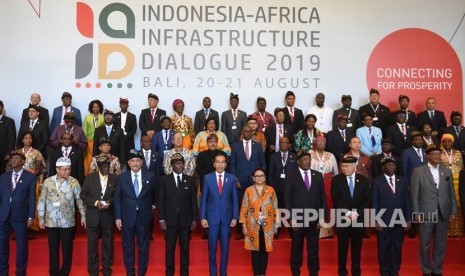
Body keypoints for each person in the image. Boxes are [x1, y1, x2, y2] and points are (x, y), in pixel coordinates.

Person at [410, 146, 457, 276]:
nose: (437, 156)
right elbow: (414, 195)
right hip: (426, 212)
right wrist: (416, 212)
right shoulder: (418, 171)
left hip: (443, 212)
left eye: (438, 154)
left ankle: (437, 270)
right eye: (434, 154)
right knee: (425, 243)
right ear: (427, 156)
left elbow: (451, 192)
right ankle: (426, 269)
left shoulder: (446, 171)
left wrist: (453, 210)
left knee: (440, 244)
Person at [37, 157, 86, 276]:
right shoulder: (48, 181)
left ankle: (65, 272)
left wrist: (84, 215)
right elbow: (42, 200)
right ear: (57, 169)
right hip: (51, 220)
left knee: (67, 248)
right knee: (53, 248)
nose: (67, 172)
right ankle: (53, 272)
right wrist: (40, 218)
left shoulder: (73, 181)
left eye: (69, 169)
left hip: (67, 221)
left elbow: (80, 200)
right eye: (64, 169)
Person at [114, 149, 157, 276]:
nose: (135, 163)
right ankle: (130, 272)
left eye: (138, 160)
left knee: (144, 248)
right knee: (128, 247)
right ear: (128, 162)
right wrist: (117, 217)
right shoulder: (122, 178)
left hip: (144, 217)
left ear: (142, 162)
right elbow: (117, 198)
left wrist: (153, 205)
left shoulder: (150, 175)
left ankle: (142, 272)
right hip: (127, 217)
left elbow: (156, 193)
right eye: (132, 161)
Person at [284, 152, 327, 276]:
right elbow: (287, 198)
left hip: (314, 219)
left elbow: (322, 198)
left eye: (309, 159)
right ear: (298, 161)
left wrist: (322, 217)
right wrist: (291, 218)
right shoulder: (291, 176)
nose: (307, 162)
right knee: (296, 248)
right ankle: (295, 272)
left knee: (313, 249)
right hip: (297, 219)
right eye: (304, 159)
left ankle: (314, 273)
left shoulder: (318, 175)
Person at [158, 153, 197, 276]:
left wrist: (194, 219)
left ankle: (184, 272)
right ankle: (169, 272)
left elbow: (193, 202)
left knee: (185, 248)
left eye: (182, 163)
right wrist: (161, 219)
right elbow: (161, 201)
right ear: (172, 165)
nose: (181, 166)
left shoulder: (190, 180)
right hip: (170, 221)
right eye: (178, 163)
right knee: (170, 248)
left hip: (185, 221)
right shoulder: (164, 180)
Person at [200, 152, 239, 276]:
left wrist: (235, 217)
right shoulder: (207, 178)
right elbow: (204, 199)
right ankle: (213, 273)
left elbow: (234, 199)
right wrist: (202, 217)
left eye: (223, 162)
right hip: (212, 219)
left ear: (226, 164)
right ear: (214, 164)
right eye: (218, 162)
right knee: (212, 249)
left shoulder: (231, 178)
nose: (220, 164)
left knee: (225, 249)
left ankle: (223, 272)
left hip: (227, 219)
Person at [371, 157, 412, 276]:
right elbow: (374, 202)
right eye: (389, 165)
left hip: (399, 220)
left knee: (397, 247)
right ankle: (384, 271)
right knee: (383, 247)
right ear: (383, 168)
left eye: (393, 165)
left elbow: (407, 201)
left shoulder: (402, 181)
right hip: (383, 220)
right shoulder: (376, 181)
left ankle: (395, 270)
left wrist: (408, 219)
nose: (392, 167)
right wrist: (376, 220)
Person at [331, 155, 370, 276]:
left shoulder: (363, 180)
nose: (344, 168)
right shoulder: (336, 179)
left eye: (347, 166)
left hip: (358, 218)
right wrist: (347, 213)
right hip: (343, 218)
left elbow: (366, 200)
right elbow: (335, 198)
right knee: (342, 247)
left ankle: (356, 271)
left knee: (356, 247)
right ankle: (342, 271)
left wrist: (357, 213)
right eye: (342, 166)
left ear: (354, 166)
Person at [80, 155, 117, 276]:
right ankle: (93, 270)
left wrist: (110, 202)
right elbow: (83, 195)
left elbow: (117, 195)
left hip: (108, 216)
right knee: (92, 244)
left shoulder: (115, 178)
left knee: (108, 244)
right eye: (103, 166)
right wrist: (96, 203)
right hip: (93, 215)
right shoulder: (90, 178)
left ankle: (107, 268)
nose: (106, 168)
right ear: (98, 167)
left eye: (107, 166)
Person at [0, 152, 35, 276]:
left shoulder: (30, 177)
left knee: (21, 246)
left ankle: (21, 272)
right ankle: (3, 271)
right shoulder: (4, 176)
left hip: (20, 216)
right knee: (2, 245)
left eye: (16, 158)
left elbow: (32, 198)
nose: (13, 160)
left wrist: (31, 216)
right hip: (4, 216)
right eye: (11, 158)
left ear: (23, 162)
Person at [240, 168, 278, 276]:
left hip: (268, 225)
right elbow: (244, 207)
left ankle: (263, 273)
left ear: (265, 177)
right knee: (255, 250)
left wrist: (276, 225)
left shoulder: (271, 190)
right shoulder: (249, 190)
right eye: (257, 176)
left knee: (265, 250)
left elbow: (276, 207)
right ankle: (256, 273)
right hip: (252, 225)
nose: (259, 178)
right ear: (253, 178)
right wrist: (243, 225)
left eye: (262, 176)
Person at [231, 125, 266, 239]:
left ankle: (254, 228)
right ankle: (241, 230)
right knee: (242, 206)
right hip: (240, 182)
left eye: (249, 131)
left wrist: (262, 180)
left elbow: (263, 163)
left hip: (255, 182)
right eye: (245, 131)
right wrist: (235, 179)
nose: (247, 133)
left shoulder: (258, 146)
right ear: (242, 132)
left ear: (252, 133)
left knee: (255, 205)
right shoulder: (235, 146)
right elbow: (232, 165)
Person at [10, 131, 46, 234]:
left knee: (31, 203)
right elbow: (9, 168)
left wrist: (41, 184)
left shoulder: (37, 153)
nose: (28, 140)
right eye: (26, 138)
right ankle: (17, 229)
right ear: (22, 140)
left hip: (32, 182)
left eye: (30, 138)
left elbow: (42, 170)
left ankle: (31, 228)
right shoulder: (16, 153)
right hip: (16, 183)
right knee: (17, 203)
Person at [310, 135, 338, 238]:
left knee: (329, 204)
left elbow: (335, 172)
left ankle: (329, 230)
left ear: (325, 144)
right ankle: (315, 229)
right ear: (315, 143)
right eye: (319, 141)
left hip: (328, 182)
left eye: (323, 141)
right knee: (315, 203)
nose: (321, 143)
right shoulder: (310, 154)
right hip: (314, 181)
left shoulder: (331, 155)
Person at [439, 134, 463, 237]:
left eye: (449, 141)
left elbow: (462, 167)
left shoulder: (458, 153)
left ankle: (457, 230)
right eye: (445, 141)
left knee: (458, 205)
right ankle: (446, 230)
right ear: (442, 142)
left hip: (458, 183)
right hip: (444, 182)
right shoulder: (438, 153)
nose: (447, 143)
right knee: (446, 204)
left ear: (453, 142)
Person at [267, 137, 298, 215]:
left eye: (286, 142)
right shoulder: (273, 156)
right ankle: (278, 226)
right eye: (282, 142)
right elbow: (270, 173)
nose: (284, 144)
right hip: (277, 189)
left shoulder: (294, 156)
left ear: (289, 145)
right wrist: (271, 189)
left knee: (289, 212)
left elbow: (296, 173)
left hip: (290, 189)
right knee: (278, 212)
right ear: (279, 144)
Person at [82, 100, 105, 176]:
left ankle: (98, 175)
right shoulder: (87, 117)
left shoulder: (103, 117)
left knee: (99, 157)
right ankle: (88, 175)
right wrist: (84, 141)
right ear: (91, 108)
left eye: (97, 107)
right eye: (94, 107)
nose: (95, 108)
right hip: (89, 141)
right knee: (89, 158)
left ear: (100, 108)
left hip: (100, 141)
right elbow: (84, 130)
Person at [0, 100, 16, 175]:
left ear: (2, 108)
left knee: (3, 174)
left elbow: (12, 138)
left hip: (3, 154)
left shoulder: (9, 121)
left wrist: (9, 153)